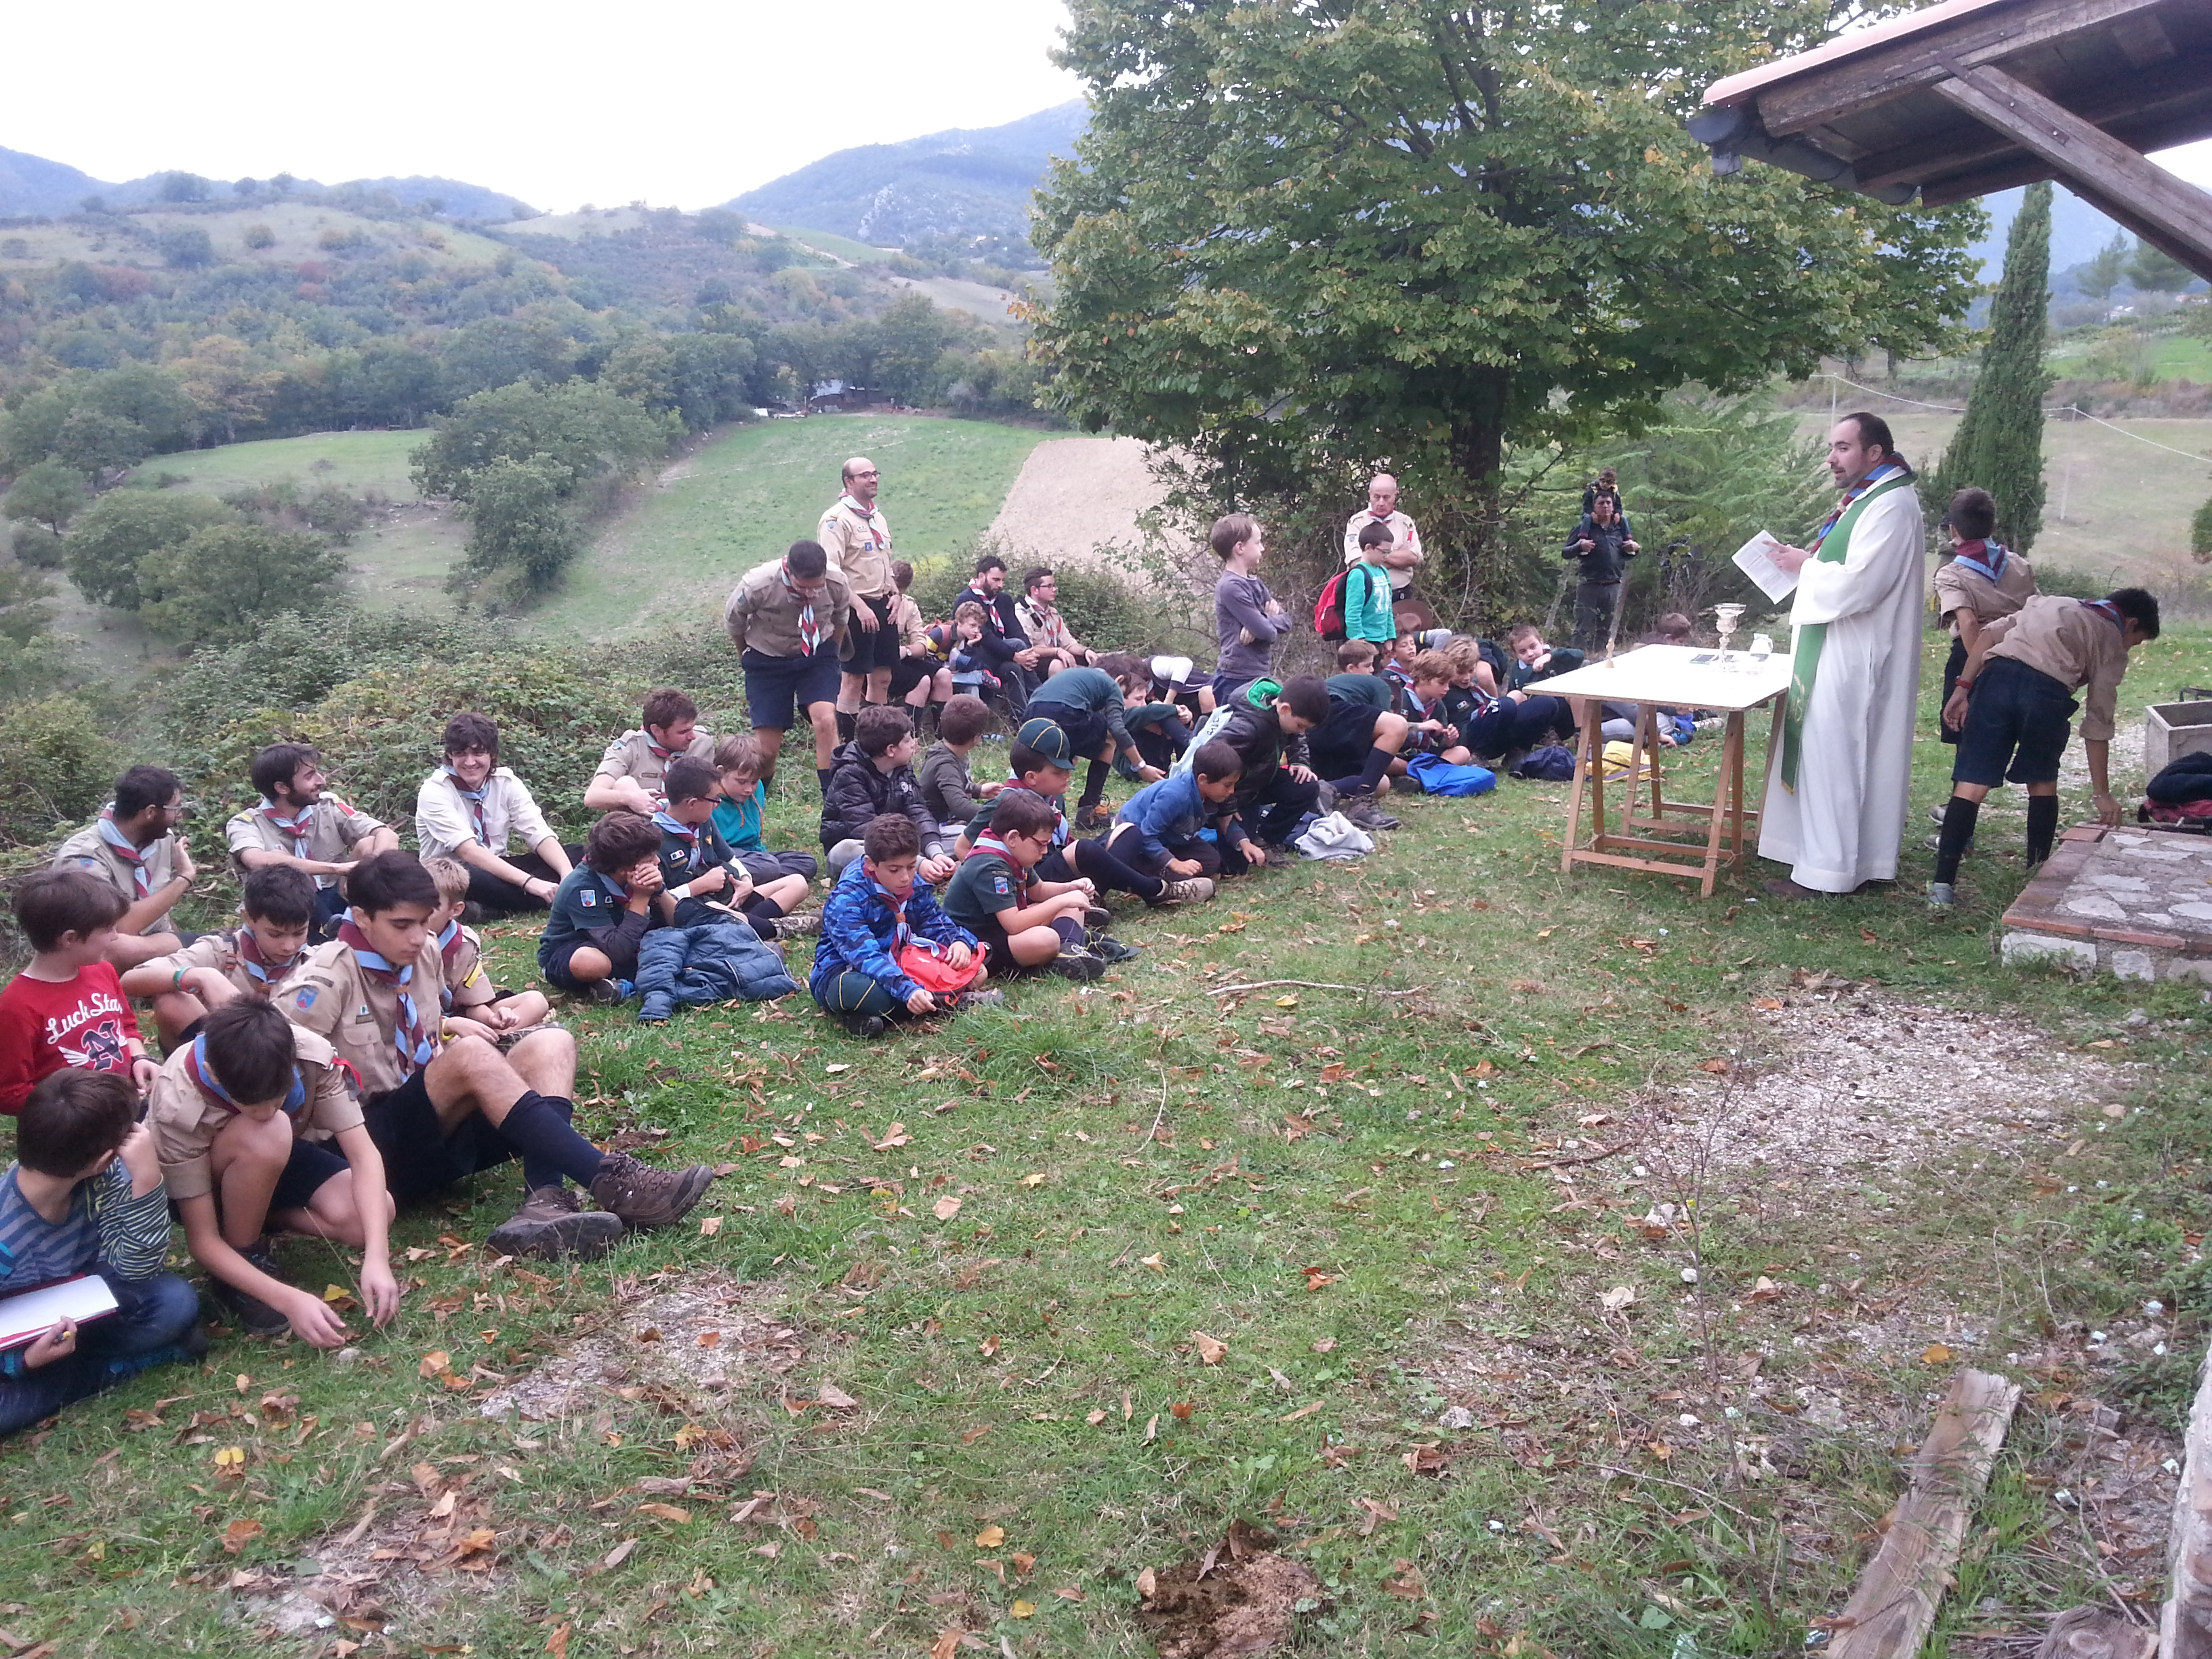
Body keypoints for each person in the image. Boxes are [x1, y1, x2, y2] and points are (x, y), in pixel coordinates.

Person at [292, 850, 708, 1254]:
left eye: (423, 921)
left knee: (551, 1043)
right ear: (362, 917)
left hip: (426, 1134)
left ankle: (544, 1201)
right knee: (471, 1054)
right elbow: (284, 1101)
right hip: (360, 1150)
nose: (417, 936)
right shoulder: (323, 981)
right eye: (402, 925)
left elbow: (429, 1029)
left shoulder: (425, 951)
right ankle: (614, 1181)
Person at [146, 1000, 399, 1340]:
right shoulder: (176, 1099)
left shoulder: (309, 1054)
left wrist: (377, 1257)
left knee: (371, 1214)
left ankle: (256, 1215)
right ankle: (243, 1255)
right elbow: (202, 1240)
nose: (266, 1110)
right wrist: (287, 1299)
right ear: (214, 1073)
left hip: (272, 1155)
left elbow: (364, 1155)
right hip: (206, 1181)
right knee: (271, 1129)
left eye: (279, 1097)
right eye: (252, 1105)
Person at [1757, 413, 1925, 899]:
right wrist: (1804, 562)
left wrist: (1806, 566)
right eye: (1832, 447)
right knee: (1820, 752)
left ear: (1874, 453)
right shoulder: (1869, 497)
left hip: (1855, 651)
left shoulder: (1891, 504)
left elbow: (1863, 583)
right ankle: (1816, 858)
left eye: (1843, 448)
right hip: (1835, 644)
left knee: (1835, 756)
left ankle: (1829, 872)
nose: (1831, 458)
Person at [0, 1071, 201, 1439]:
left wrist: (146, 1181)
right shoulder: (5, 1233)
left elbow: (137, 1268)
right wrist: (22, 1361)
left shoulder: (103, 1180)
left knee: (175, 1300)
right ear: (103, 1158)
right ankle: (107, 1370)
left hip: (88, 1304)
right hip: (21, 1343)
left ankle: (73, 1368)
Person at [1930, 588, 2160, 907]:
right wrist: (2102, 793)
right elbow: (2098, 723)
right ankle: (2035, 874)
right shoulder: (2111, 641)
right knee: (2041, 781)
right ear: (2131, 623)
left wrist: (1962, 689)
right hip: (2047, 697)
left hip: (1996, 682)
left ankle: (1941, 887)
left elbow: (1988, 636)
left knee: (1971, 784)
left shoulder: (2048, 603)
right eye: (2135, 641)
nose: (2129, 648)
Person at [956, 719, 1211, 912]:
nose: (1068, 776)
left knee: (1129, 831)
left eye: (1068, 769)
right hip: (1034, 878)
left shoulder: (1050, 796)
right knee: (1085, 849)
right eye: (1058, 772)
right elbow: (963, 847)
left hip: (1057, 866)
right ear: (1032, 778)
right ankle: (1159, 891)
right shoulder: (1006, 802)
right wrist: (1004, 883)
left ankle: (1090, 898)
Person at [810, 814, 996, 1037]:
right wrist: (908, 990)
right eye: (894, 870)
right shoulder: (846, 899)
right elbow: (866, 957)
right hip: (848, 971)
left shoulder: (913, 883)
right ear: (871, 864)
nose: (905, 878)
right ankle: (945, 1001)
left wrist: (959, 942)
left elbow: (934, 922)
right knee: (863, 992)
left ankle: (895, 1011)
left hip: (905, 961)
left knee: (978, 971)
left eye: (911, 866)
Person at [1, 871, 155, 1115]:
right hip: (74, 1127)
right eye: (108, 929)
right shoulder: (16, 1007)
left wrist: (140, 1058)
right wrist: (79, 1107)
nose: (116, 937)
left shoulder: (103, 971)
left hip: (128, 1104)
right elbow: (9, 1093)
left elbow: (126, 1027)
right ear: (70, 939)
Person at [119, 865, 318, 1050]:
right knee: (171, 1001)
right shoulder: (222, 951)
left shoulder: (316, 963)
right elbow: (129, 980)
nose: (289, 946)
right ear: (248, 918)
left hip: (291, 1058)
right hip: (220, 1054)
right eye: (275, 934)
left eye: (299, 933)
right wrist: (202, 977)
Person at [724, 539, 853, 798]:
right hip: (768, 658)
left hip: (816, 654)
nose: (810, 594)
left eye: (816, 588)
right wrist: (745, 655)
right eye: (803, 587)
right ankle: (756, 801)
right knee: (767, 748)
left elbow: (841, 618)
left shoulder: (837, 582)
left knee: (826, 721)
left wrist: (832, 654)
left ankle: (834, 799)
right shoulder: (758, 585)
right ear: (789, 571)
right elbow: (734, 622)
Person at [224, 743, 396, 936]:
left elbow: (387, 834)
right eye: (310, 776)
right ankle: (327, 929)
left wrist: (373, 866)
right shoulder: (246, 823)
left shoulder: (327, 806)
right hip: (284, 910)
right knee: (279, 868)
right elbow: (256, 860)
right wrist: (337, 868)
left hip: (336, 894)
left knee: (370, 845)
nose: (321, 781)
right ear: (282, 787)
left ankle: (377, 919)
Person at [414, 714, 574, 915]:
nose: (470, 762)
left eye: (478, 753)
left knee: (576, 854)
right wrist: (530, 883)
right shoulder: (435, 790)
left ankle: (490, 909)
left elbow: (537, 832)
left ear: (492, 754)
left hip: (499, 866)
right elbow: (468, 852)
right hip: (452, 874)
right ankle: (543, 898)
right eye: (460, 754)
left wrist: (567, 874)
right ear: (450, 756)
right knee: (471, 875)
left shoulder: (506, 782)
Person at [942, 789, 1107, 979]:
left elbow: (1038, 890)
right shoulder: (990, 865)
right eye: (1041, 844)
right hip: (973, 941)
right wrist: (1062, 900)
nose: (1045, 851)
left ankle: (1068, 950)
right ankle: (1061, 945)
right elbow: (1014, 924)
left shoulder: (1013, 852)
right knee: (1046, 939)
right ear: (1013, 838)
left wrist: (1071, 888)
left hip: (1001, 928)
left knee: (1072, 906)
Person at [50, 764, 194, 970]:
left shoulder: (163, 839)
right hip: (104, 956)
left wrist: (178, 948)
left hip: (154, 949)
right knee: (117, 945)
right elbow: (118, 929)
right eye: (175, 809)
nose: (179, 815)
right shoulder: (85, 857)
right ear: (150, 812)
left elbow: (157, 911)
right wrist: (185, 877)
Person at [655, 757, 813, 938]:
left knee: (797, 883)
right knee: (715, 909)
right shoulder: (655, 838)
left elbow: (730, 858)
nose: (717, 805)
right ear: (692, 804)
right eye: (714, 800)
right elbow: (657, 902)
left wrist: (746, 881)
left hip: (727, 896)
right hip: (695, 908)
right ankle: (777, 928)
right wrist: (698, 886)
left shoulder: (704, 821)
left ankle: (746, 924)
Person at [1933, 487, 2037, 747]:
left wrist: (1977, 673)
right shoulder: (2020, 565)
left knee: (1968, 741)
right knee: (2004, 740)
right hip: (2018, 656)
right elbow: (2037, 609)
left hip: (1972, 658)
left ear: (1953, 530)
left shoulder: (1951, 574)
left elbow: (1968, 623)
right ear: (1994, 525)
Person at [1022, 654, 1166, 832]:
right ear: (1120, 680)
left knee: (1052, 756)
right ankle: (1089, 809)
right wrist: (1140, 766)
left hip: (1031, 712)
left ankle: (1031, 802)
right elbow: (1117, 728)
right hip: (1064, 713)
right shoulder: (1111, 684)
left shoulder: (1078, 675)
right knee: (1109, 739)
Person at [539, 812, 665, 1003]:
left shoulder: (640, 873)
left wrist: (660, 891)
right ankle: (624, 982)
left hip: (626, 940)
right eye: (650, 858)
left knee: (680, 934)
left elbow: (678, 920)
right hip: (573, 950)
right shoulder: (581, 887)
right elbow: (618, 950)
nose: (657, 862)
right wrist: (641, 897)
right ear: (625, 869)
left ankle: (615, 985)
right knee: (593, 963)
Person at [821, 706, 957, 884]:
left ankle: (928, 864)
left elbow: (918, 811)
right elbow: (864, 828)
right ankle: (914, 868)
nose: (914, 744)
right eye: (908, 739)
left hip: (903, 841)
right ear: (891, 750)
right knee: (846, 850)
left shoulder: (902, 766)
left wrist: (935, 852)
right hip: (862, 845)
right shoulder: (849, 773)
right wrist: (917, 862)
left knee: (962, 834)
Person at [420, 858, 554, 1037]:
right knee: (459, 1042)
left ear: (456, 910)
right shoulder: (401, 941)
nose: (420, 910)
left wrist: (492, 1019)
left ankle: (495, 1037)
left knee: (535, 1001)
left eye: (431, 904)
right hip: (418, 1023)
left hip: (457, 1016)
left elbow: (473, 1006)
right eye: (416, 901)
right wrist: (447, 1024)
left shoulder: (464, 942)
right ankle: (494, 1041)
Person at [818, 457, 903, 732]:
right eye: (865, 475)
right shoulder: (835, 520)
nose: (873, 479)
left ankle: (875, 737)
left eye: (875, 473)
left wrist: (896, 593)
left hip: (883, 605)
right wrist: (859, 606)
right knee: (853, 679)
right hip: (854, 607)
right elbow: (831, 572)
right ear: (848, 481)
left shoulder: (877, 517)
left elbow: (884, 560)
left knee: (883, 677)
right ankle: (847, 741)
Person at [1212, 677, 1324, 872]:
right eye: (1301, 726)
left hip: (1258, 782)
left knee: (1307, 786)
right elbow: (1215, 764)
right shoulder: (1246, 727)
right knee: (1235, 868)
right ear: (1285, 709)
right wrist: (1227, 807)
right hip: (1231, 794)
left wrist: (1300, 762)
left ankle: (1267, 840)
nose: (1302, 731)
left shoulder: (1283, 711)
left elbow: (1297, 737)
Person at [1107, 741, 1242, 883]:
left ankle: (1163, 866)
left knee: (1211, 861)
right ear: (1203, 779)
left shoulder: (1212, 793)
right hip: (1137, 838)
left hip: (1172, 836)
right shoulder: (1175, 797)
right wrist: (1174, 863)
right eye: (1228, 785)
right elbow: (1146, 835)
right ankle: (1138, 867)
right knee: (1180, 876)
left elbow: (1224, 820)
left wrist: (1242, 840)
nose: (1232, 791)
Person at [586, 690, 718, 816]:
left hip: (686, 824)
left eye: (692, 728)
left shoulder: (702, 744)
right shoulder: (630, 747)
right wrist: (629, 798)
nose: (692, 737)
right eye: (683, 732)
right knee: (624, 783)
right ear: (657, 730)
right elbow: (593, 796)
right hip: (639, 825)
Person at [710, 735, 820, 886]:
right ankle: (755, 878)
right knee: (768, 866)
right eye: (741, 782)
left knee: (807, 862)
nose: (749, 789)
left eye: (754, 782)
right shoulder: (709, 800)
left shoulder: (757, 789)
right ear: (721, 772)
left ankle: (753, 879)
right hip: (727, 856)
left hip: (758, 855)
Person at [1211, 513, 1287, 701]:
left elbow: (1287, 621)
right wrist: (1261, 623)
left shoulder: (1255, 583)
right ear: (1240, 548)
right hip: (1236, 678)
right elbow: (1268, 633)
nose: (1262, 548)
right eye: (1258, 542)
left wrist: (1261, 620)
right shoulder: (1230, 587)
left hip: (1259, 674)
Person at [955, 556, 1041, 712]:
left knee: (1013, 668)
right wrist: (1015, 655)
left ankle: (1022, 716)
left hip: (1000, 656)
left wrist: (1029, 653)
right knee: (1017, 645)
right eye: (996, 580)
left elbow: (1016, 629)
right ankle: (1041, 697)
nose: (1000, 585)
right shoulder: (966, 599)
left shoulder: (1004, 600)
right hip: (976, 657)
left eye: (1002, 580)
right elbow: (985, 638)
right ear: (982, 576)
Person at [1563, 495, 1641, 655]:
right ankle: (1577, 659)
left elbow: (1625, 554)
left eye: (1608, 503)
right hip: (1589, 584)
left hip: (1613, 584)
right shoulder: (1584, 528)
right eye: (1601, 503)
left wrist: (1635, 549)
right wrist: (1580, 546)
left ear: (1613, 506)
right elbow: (1565, 552)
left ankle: (1601, 658)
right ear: (1594, 507)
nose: (1605, 506)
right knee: (1583, 626)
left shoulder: (1620, 529)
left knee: (1605, 628)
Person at [886, 560, 956, 733]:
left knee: (944, 675)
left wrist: (906, 651)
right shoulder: (872, 600)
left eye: (900, 589)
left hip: (899, 656)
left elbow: (922, 646)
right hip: (875, 662)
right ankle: (911, 736)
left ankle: (944, 736)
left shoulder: (908, 605)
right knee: (922, 680)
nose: (896, 592)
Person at [918, 694, 1000, 839]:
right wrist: (1000, 816)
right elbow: (961, 807)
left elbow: (953, 785)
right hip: (938, 827)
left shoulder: (944, 749)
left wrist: (978, 790)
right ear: (977, 738)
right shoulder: (946, 765)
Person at [1341, 474, 1424, 602]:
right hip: (1367, 596)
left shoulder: (1405, 523)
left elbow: (1413, 558)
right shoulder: (1357, 522)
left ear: (1395, 496)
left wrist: (1373, 555)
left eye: (1386, 497)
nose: (1381, 503)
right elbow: (1356, 563)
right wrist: (1398, 557)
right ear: (1370, 495)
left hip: (1400, 597)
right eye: (1376, 497)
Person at [1015, 567, 1094, 675]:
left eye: (1054, 585)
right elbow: (1027, 649)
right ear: (1035, 590)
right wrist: (1057, 651)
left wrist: (1086, 651)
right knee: (1059, 665)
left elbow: (1068, 644)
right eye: (1049, 586)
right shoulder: (1021, 613)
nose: (1055, 589)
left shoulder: (1052, 613)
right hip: (1033, 662)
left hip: (1056, 656)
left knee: (1096, 660)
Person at [1401, 652, 1474, 763]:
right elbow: (1390, 728)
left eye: (1448, 684)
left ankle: (1426, 769)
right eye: (1442, 683)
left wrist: (1449, 740)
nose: (1447, 688)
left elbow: (1441, 742)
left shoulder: (1438, 705)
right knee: (1389, 761)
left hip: (1424, 753)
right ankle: (1431, 769)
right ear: (1423, 679)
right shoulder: (1401, 698)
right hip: (1400, 753)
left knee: (1462, 752)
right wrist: (1420, 726)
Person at [1343, 521, 1399, 649]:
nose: (1387, 556)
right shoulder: (1358, 574)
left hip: (1381, 639)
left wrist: (1390, 636)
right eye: (1384, 552)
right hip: (1364, 641)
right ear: (1368, 548)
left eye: (1389, 552)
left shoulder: (1383, 571)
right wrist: (1359, 641)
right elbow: (1352, 613)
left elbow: (1388, 607)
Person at [1503, 624, 1585, 691]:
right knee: (1515, 695)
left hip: (1559, 699)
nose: (1530, 654)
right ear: (1517, 655)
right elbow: (1512, 691)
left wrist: (1550, 656)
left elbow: (1579, 655)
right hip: (1531, 703)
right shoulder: (1517, 668)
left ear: (1541, 643)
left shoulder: (1555, 658)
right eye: (1523, 652)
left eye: (1533, 647)